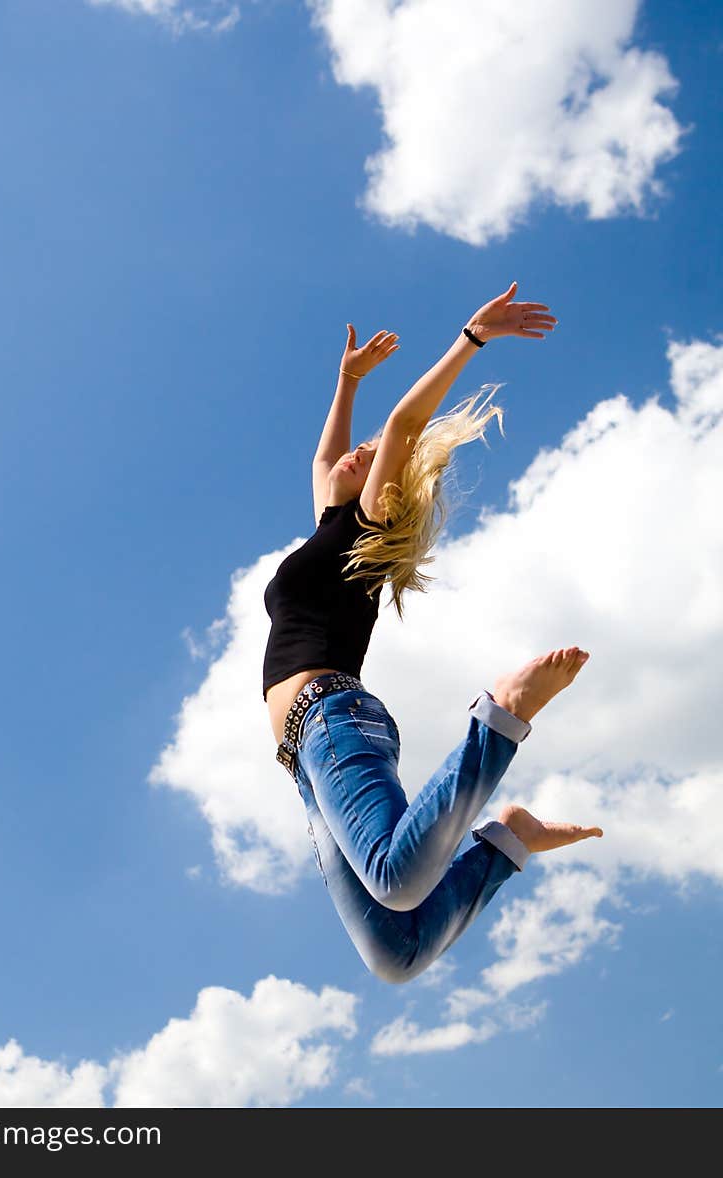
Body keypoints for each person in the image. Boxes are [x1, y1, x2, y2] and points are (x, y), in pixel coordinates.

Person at [262, 282, 603, 984]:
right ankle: (508, 842)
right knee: (398, 954)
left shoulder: (370, 523)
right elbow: (323, 465)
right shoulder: (332, 527)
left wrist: (469, 340)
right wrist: (345, 381)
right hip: (305, 757)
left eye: (368, 452)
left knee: (398, 883)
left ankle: (502, 716)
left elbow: (404, 427)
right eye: (356, 450)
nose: (354, 454)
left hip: (332, 720)